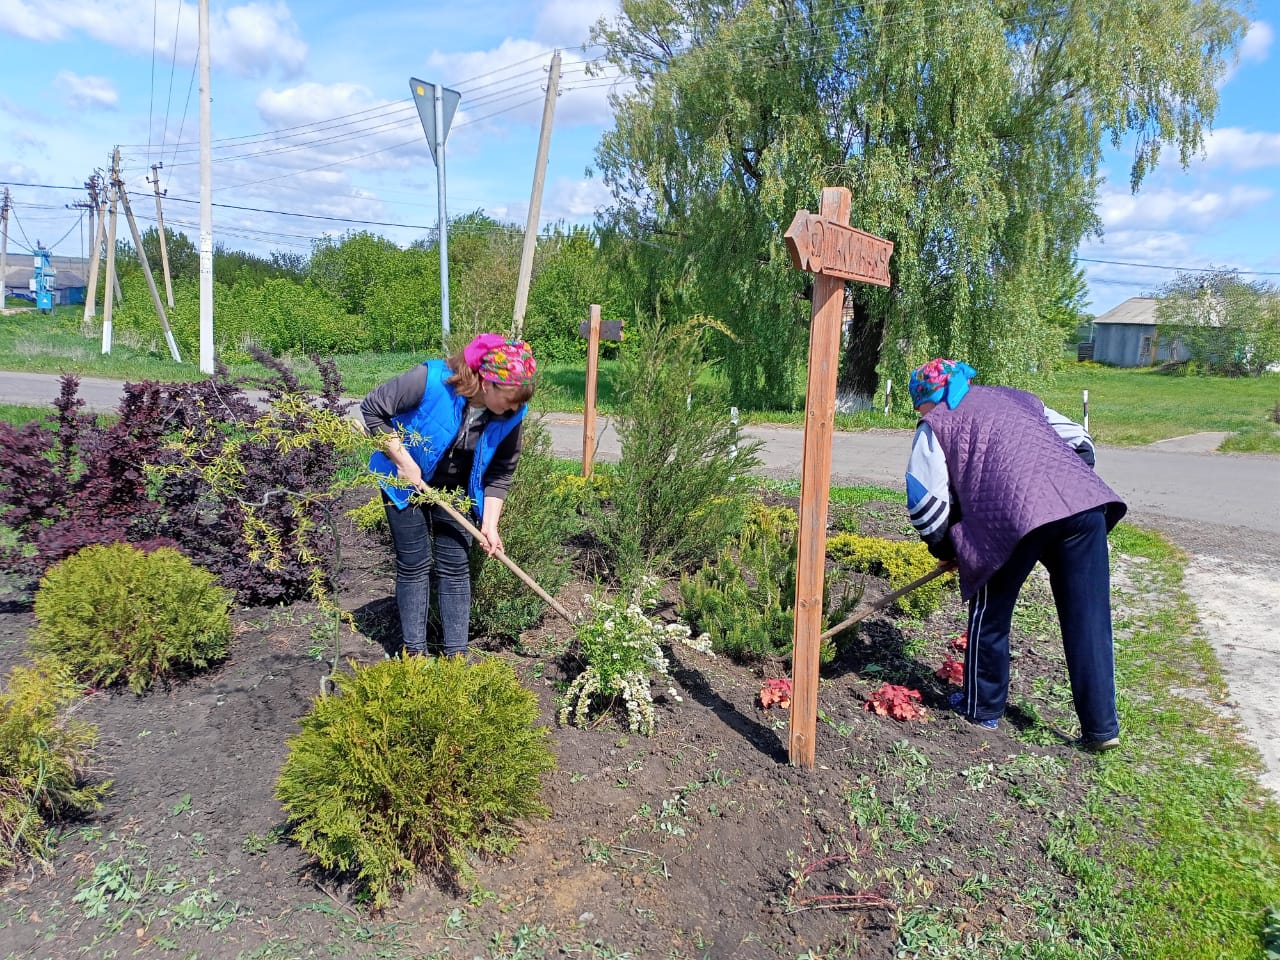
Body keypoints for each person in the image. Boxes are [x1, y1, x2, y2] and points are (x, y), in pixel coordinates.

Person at [904, 358, 1127, 751]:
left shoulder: (935, 423)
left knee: (989, 614)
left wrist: (945, 546)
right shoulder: (1020, 398)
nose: (918, 414)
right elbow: (1081, 443)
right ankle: (1101, 729)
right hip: (1083, 507)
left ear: (926, 397)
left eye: (917, 405)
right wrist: (1056, 490)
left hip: (1011, 520)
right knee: (1089, 619)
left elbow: (925, 503)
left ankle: (981, 710)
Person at [362, 334, 536, 658]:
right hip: (402, 478)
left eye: (519, 402)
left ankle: (458, 655)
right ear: (487, 383)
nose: (515, 408)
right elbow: (373, 409)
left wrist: (490, 524)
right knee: (414, 564)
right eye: (511, 399)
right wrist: (404, 461)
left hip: (456, 488)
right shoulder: (430, 381)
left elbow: (501, 471)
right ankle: (414, 653)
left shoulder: (511, 414)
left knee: (455, 565)